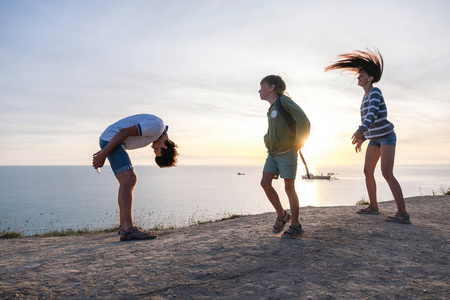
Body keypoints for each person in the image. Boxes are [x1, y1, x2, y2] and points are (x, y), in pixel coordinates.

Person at [325, 48, 410, 224]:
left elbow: (371, 115)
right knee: (367, 171)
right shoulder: (365, 96)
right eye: (358, 75)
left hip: (387, 137)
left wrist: (361, 130)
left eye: (361, 75)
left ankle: (403, 213)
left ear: (370, 78)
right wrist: (363, 138)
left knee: (387, 173)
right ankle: (373, 206)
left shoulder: (375, 93)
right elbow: (370, 120)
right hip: (374, 139)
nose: (358, 77)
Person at [92, 114, 179, 241]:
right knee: (129, 179)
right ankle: (128, 229)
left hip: (112, 141)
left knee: (125, 180)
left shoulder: (156, 132)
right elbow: (124, 131)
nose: (153, 147)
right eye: (156, 150)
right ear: (165, 146)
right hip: (112, 139)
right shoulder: (157, 127)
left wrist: (106, 150)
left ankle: (124, 227)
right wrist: (104, 154)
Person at [259, 75, 310, 239]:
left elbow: (302, 119)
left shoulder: (283, 101)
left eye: (262, 86)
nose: (259, 90)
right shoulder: (272, 108)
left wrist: (298, 141)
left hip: (287, 152)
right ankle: (282, 214)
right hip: (273, 153)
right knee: (265, 183)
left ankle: (296, 225)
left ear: (272, 87)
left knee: (289, 188)